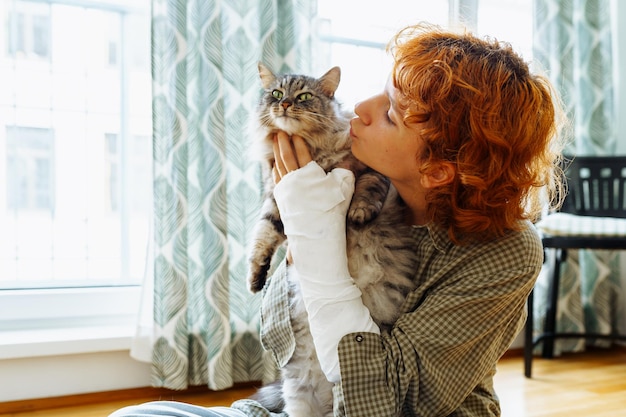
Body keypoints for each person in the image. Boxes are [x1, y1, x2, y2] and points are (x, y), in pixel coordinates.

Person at [109, 22, 565, 417]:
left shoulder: (505, 250)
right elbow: (280, 335)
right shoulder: (340, 181)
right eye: (380, 91)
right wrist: (302, 221)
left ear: (439, 168)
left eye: (389, 113)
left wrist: (315, 239)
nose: (357, 111)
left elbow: (383, 401)